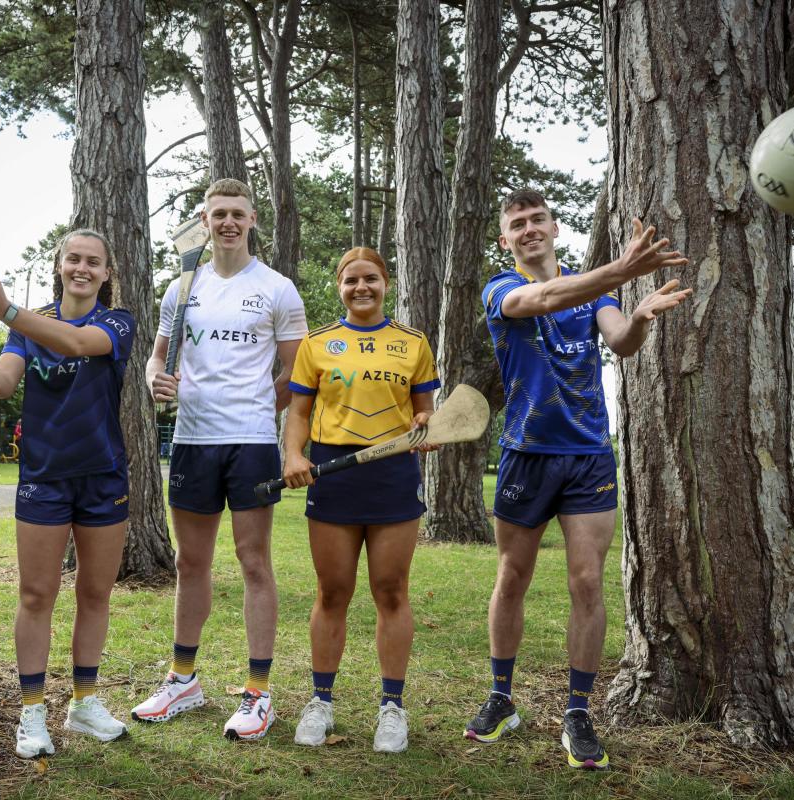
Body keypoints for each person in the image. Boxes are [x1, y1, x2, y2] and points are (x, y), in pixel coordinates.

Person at [465, 189, 691, 769]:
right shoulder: (500, 290)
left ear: (555, 228)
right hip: (525, 453)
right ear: (505, 239)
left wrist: (637, 316)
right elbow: (540, 297)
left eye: (537, 219)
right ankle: (500, 698)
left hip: (588, 456)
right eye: (517, 223)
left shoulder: (597, 295)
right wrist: (620, 267)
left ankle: (578, 712)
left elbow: (621, 343)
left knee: (587, 581)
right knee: (512, 575)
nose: (528, 228)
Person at [134, 178, 307, 741]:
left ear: (253, 219)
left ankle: (258, 693)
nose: (227, 223)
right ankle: (183, 677)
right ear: (203, 222)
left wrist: (258, 407)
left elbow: (294, 374)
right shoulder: (182, 288)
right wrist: (154, 380)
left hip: (253, 442)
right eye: (218, 215)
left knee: (254, 562)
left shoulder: (278, 289)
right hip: (191, 441)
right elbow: (156, 359)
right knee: (191, 563)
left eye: (237, 214)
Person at [0, 228, 136, 759]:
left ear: (106, 273)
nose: (82, 268)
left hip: (103, 477)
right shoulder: (30, 324)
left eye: (93, 262)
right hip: (44, 477)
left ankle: (84, 702)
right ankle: (32, 712)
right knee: (37, 594)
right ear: (60, 265)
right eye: (73, 259)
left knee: (94, 594)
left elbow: (78, 344)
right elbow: (4, 385)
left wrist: (6, 309)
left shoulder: (115, 321)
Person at [281, 247, 440, 754]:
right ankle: (320, 702)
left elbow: (425, 411)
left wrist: (425, 425)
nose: (361, 287)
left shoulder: (412, 343)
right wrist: (292, 454)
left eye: (370, 278)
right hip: (334, 473)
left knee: (390, 590)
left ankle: (391, 707)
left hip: (392, 474)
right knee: (333, 592)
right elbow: (300, 413)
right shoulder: (318, 343)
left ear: (386, 282)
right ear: (339, 286)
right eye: (351, 281)